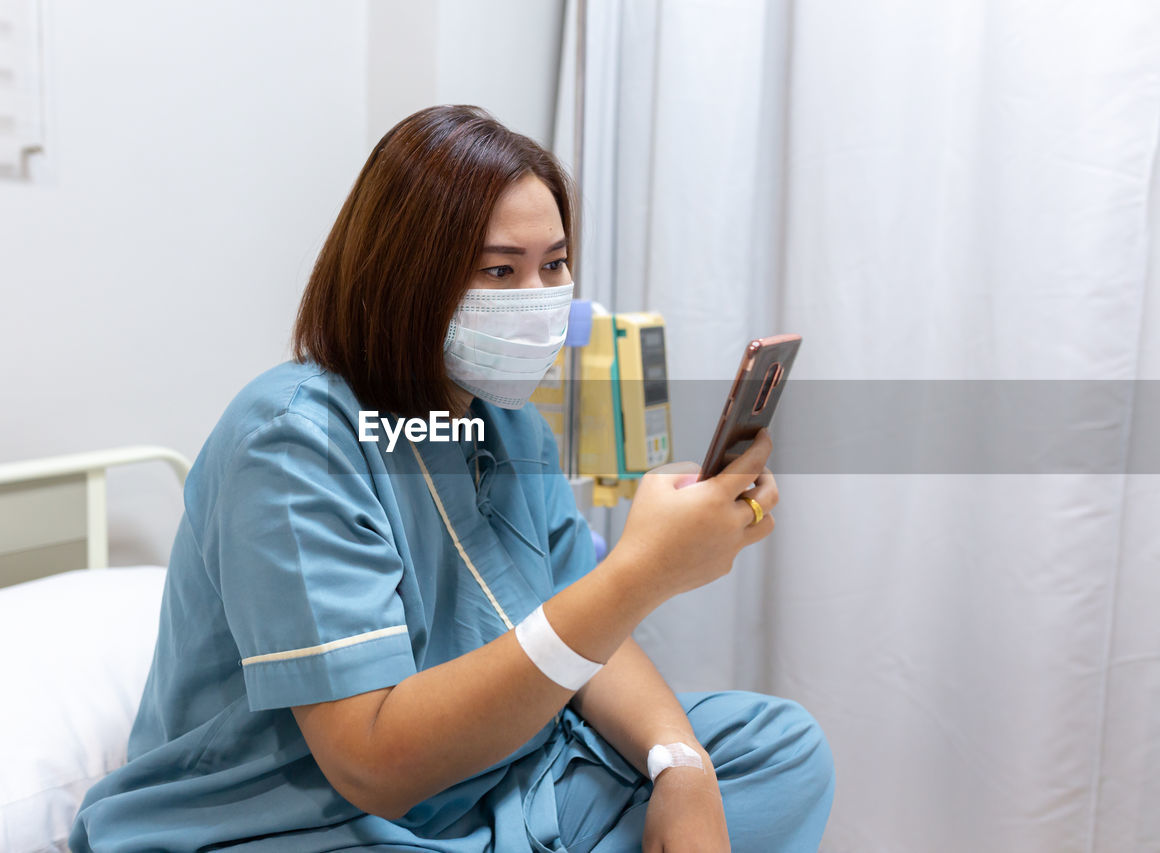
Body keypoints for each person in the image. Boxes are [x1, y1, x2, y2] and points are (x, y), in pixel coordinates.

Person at [69, 105, 834, 853]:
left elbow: (585, 633)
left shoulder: (512, 429)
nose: (537, 299)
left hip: (498, 787)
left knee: (779, 750)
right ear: (401, 277)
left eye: (554, 264)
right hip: (300, 820)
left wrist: (681, 764)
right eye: (499, 270)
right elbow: (370, 762)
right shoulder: (294, 440)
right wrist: (642, 572)